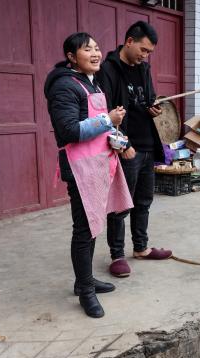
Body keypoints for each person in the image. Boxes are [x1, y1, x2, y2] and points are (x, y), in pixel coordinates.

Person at [44, 32, 132, 318]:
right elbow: (69, 131)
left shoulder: (88, 82)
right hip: (80, 168)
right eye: (87, 49)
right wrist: (109, 119)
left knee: (94, 225)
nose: (95, 53)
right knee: (84, 229)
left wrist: (118, 138)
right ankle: (85, 290)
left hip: (99, 164)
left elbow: (99, 129)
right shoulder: (64, 87)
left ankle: (85, 279)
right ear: (71, 57)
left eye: (96, 48)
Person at [97, 21, 172, 278]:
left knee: (143, 202)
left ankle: (140, 248)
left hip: (147, 144)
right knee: (120, 204)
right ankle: (117, 255)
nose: (145, 55)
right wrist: (123, 144)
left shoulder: (143, 69)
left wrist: (154, 107)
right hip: (126, 147)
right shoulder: (107, 70)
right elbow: (103, 114)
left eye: (149, 52)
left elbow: (147, 100)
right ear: (129, 41)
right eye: (143, 49)